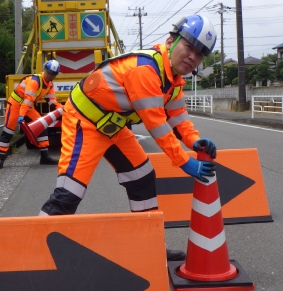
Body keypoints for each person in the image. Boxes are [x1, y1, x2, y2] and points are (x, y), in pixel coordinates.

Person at [38, 14, 219, 261]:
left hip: (113, 126)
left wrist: (193, 140)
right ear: (170, 41)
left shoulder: (173, 79)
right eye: (189, 47)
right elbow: (157, 124)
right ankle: (36, 251)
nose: (192, 57)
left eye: (199, 54)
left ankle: (149, 246)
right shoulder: (146, 70)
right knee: (70, 191)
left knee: (141, 176)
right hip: (85, 121)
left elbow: (177, 115)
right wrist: (185, 161)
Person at [0, 60, 63, 169]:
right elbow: (28, 99)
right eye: (49, 72)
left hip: (27, 106)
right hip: (15, 104)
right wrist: (21, 115)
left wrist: (64, 109)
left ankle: (44, 157)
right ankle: (0, 159)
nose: (50, 75)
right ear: (45, 70)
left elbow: (52, 102)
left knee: (42, 125)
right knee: (8, 131)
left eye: (53, 74)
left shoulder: (49, 85)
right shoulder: (35, 81)